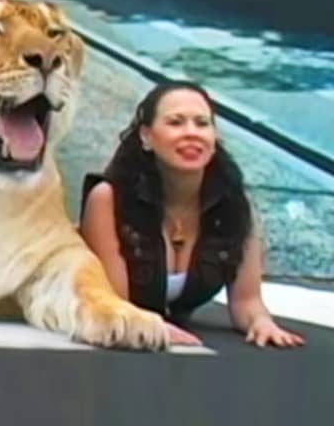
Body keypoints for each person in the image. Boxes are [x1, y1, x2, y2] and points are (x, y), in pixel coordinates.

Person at [80, 80, 304, 348]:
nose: (191, 133)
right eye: (175, 122)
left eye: (202, 123)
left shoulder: (234, 204)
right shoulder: (108, 199)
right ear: (146, 136)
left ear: (215, 137)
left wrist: (260, 322)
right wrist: (156, 329)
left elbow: (247, 302)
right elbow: (115, 304)